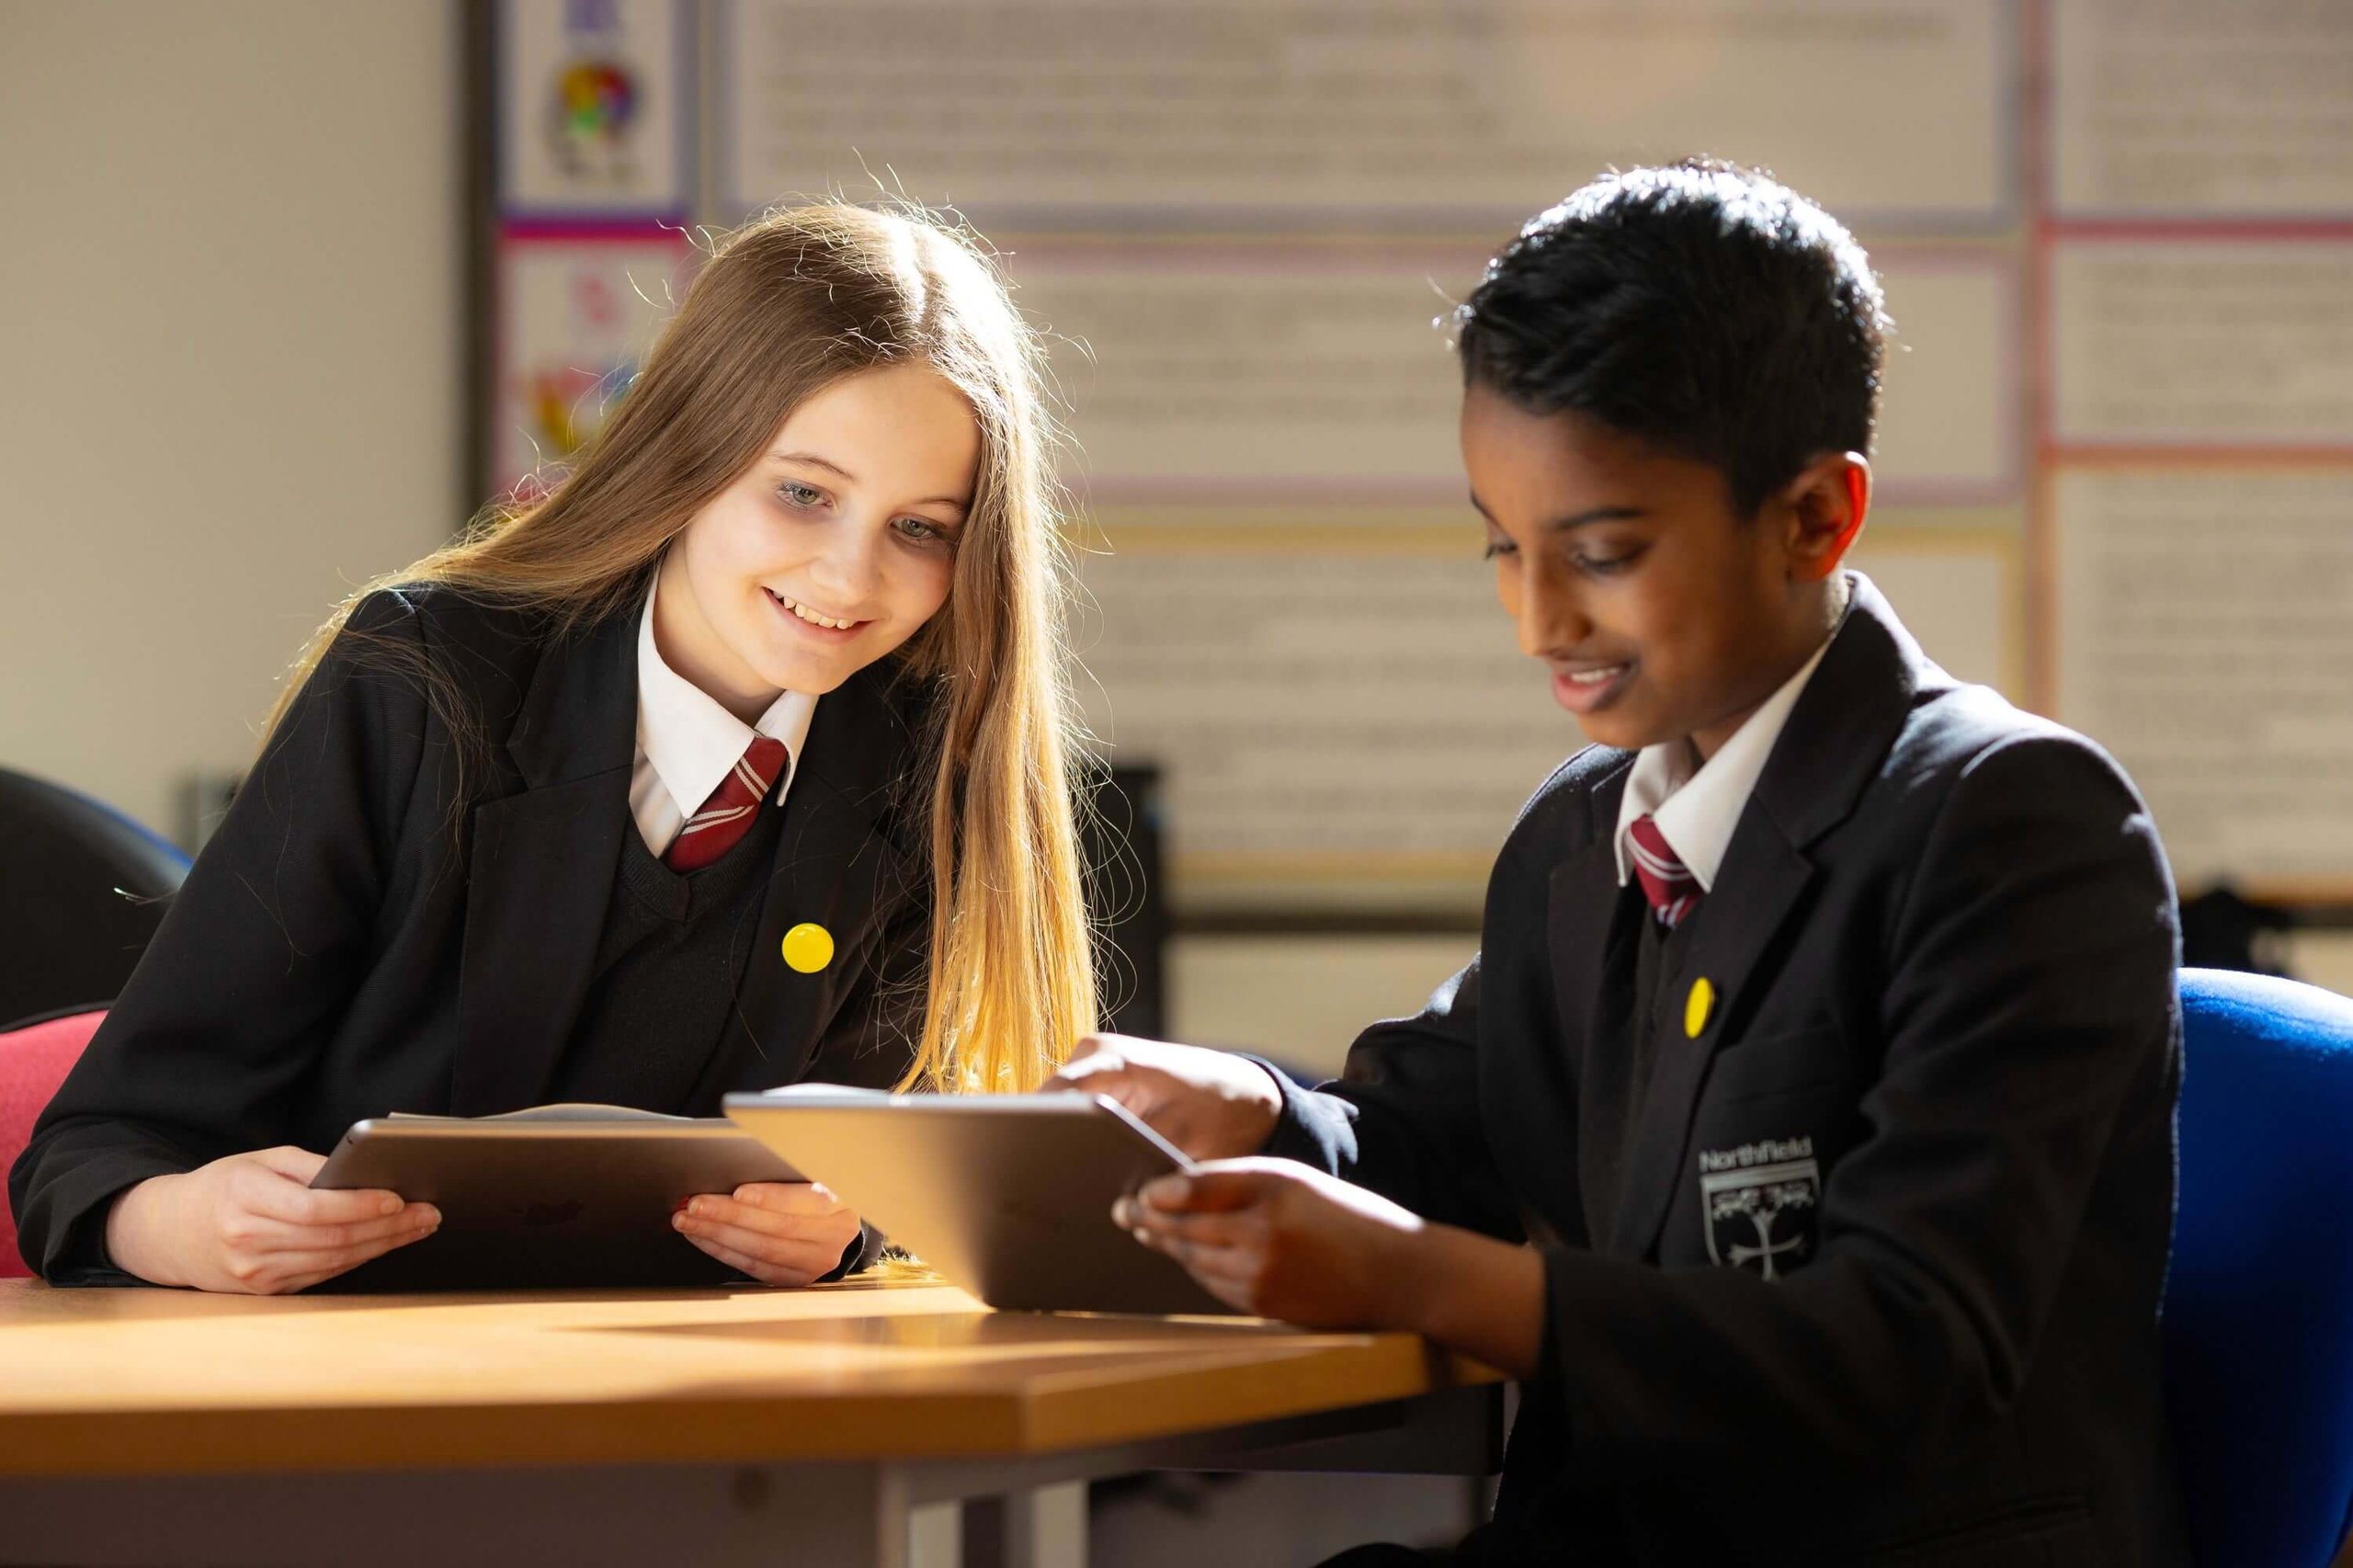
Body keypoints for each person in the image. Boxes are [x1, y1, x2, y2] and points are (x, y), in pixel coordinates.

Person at [1059, 163, 2189, 1563]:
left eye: (1601, 551)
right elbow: (1450, 1138)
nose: (1538, 619)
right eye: (1502, 546)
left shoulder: (2012, 822)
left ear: (1814, 519)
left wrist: (1430, 1280)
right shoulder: (1585, 835)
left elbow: (1908, 1348)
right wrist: (1254, 1110)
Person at [11, 202, 1097, 1295]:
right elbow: (92, 1151)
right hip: (340, 1382)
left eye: (921, 527)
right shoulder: (426, 673)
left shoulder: (923, 763)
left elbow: (870, 1172)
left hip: (701, 1416)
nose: (850, 578)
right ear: (686, 454)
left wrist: (845, 1228)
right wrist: (175, 1222)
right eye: (803, 493)